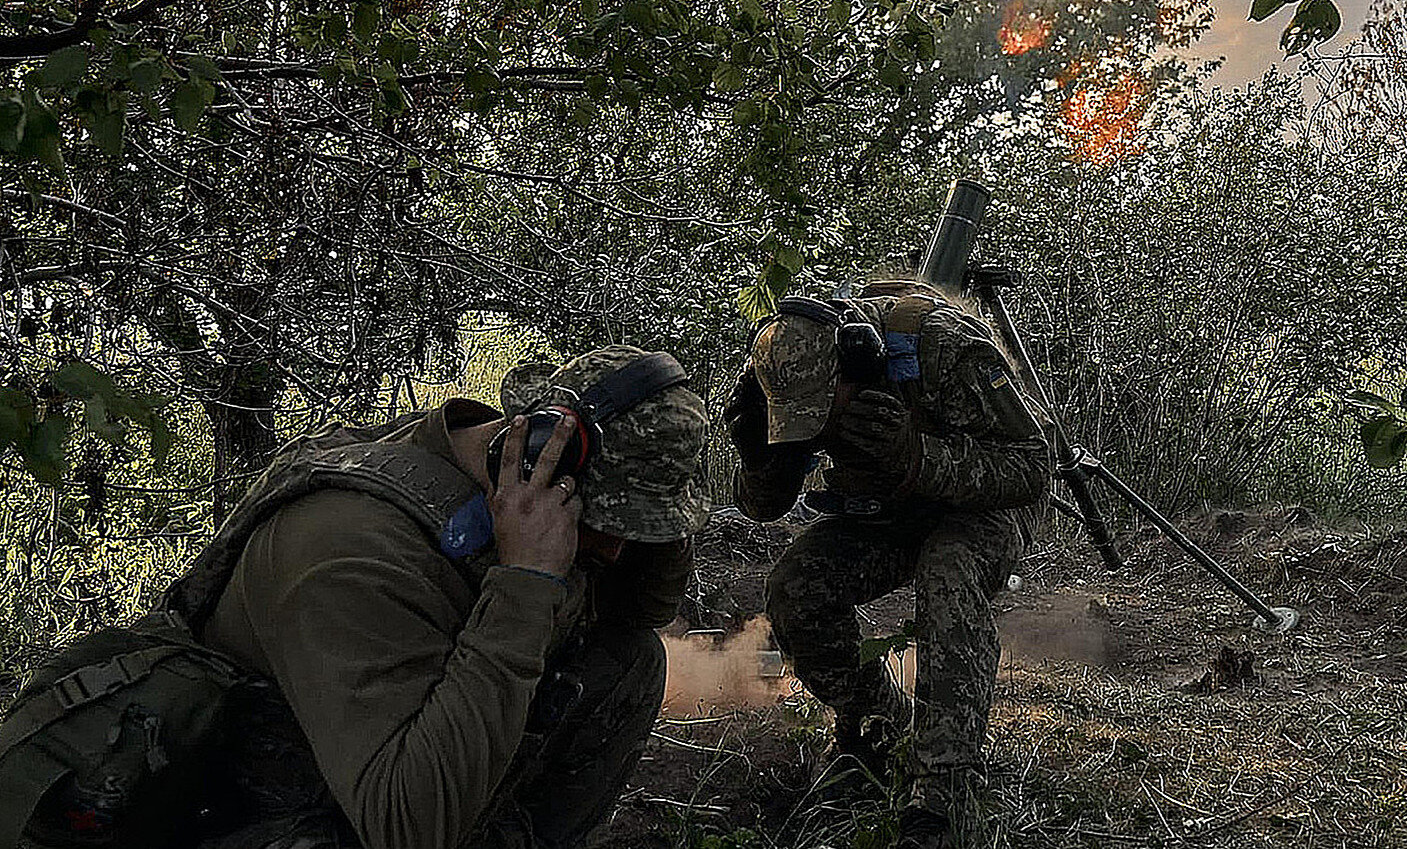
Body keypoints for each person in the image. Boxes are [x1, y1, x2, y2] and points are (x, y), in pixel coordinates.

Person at [162, 346, 703, 849]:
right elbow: (405, 829)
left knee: (627, 662)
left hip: (388, 742)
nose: (614, 551)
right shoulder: (351, 553)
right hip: (267, 804)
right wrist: (525, 584)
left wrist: (654, 517)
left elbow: (642, 613)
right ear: (538, 451)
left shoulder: (495, 470)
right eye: (608, 522)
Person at [724, 281, 1052, 848]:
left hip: (984, 506)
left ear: (857, 364)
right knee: (797, 588)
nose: (817, 431)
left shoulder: (944, 348)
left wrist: (915, 456)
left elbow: (1028, 470)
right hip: (888, 508)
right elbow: (764, 508)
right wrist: (758, 457)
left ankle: (945, 786)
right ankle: (878, 728)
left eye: (826, 413)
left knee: (947, 569)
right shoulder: (787, 381)